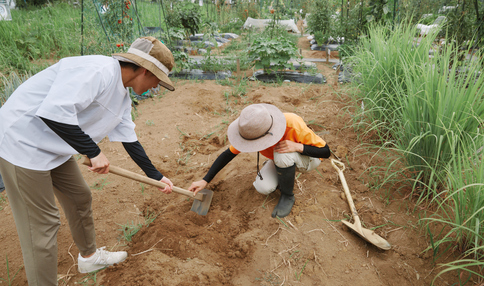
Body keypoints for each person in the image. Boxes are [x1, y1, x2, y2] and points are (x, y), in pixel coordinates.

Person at [0, 36, 176, 286]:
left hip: (53, 144)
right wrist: (93, 151)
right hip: (22, 142)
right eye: (157, 79)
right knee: (42, 224)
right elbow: (54, 112)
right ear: (145, 71)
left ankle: (89, 257)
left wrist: (155, 176)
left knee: (79, 196)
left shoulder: (122, 96)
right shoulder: (98, 71)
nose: (156, 86)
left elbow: (130, 139)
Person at [189, 103, 331, 218]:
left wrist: (298, 146)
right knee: (263, 187)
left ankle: (287, 195)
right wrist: (205, 180)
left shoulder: (292, 124)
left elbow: (325, 152)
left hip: (308, 158)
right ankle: (283, 170)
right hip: (280, 157)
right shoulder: (252, 130)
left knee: (281, 155)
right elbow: (227, 155)